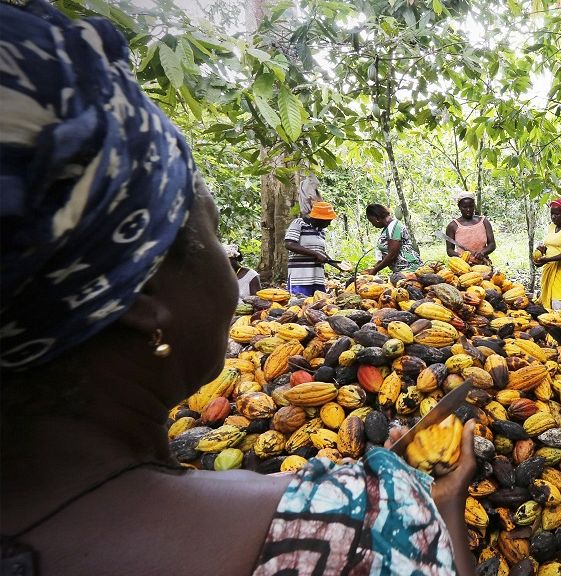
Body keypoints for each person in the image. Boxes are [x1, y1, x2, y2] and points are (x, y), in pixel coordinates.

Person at [0, 4, 477, 576]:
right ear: (144, 292)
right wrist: (439, 505)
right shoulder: (350, 525)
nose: (232, 260)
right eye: (215, 231)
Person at [284, 201, 337, 296]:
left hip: (317, 279)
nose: (329, 224)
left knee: (320, 307)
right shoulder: (299, 223)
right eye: (328, 221)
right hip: (300, 278)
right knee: (298, 306)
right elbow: (289, 244)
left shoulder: (322, 231)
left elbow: (320, 252)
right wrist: (315, 254)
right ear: (319, 218)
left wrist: (337, 265)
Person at [534, 198, 561, 310]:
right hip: (549, 268)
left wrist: (547, 259)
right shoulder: (551, 226)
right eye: (552, 214)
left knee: (557, 302)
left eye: (557, 214)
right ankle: (550, 326)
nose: (553, 217)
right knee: (546, 302)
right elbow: (550, 245)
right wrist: (542, 250)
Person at [364, 204, 422, 275]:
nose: (373, 224)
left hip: (409, 269)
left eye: (371, 221)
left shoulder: (394, 227)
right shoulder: (387, 228)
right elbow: (386, 255)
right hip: (401, 271)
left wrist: (375, 270)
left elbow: (392, 255)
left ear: (377, 218)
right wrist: (374, 268)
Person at [444, 190, 496, 264]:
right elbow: (449, 250)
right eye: (464, 207)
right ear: (459, 207)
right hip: (463, 265)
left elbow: (492, 244)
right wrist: (461, 256)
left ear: (474, 205)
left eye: (471, 206)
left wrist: (482, 253)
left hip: (482, 264)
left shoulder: (484, 222)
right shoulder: (453, 226)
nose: (468, 210)